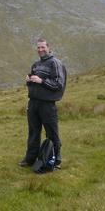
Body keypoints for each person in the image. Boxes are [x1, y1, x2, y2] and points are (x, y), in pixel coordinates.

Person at [19, 38, 67, 168]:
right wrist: (29, 80)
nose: (40, 50)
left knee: (52, 132)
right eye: (38, 47)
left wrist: (41, 81)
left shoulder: (55, 63)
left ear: (48, 47)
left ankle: (55, 160)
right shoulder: (36, 64)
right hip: (33, 103)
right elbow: (34, 83)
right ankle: (30, 159)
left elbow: (58, 84)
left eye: (43, 47)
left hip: (47, 104)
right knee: (33, 132)